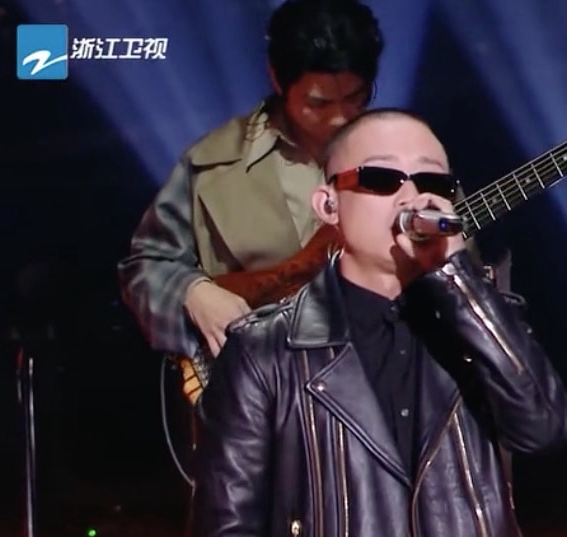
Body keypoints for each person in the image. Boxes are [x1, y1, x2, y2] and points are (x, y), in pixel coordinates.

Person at [191, 108, 567, 537]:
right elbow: (226, 523)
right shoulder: (264, 351)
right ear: (328, 205)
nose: (411, 197)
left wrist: (457, 277)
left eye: (432, 183)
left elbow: (546, 430)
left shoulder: (477, 323)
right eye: (381, 178)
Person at [116, 0, 384, 402]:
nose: (340, 117)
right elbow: (144, 266)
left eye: (355, 97)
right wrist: (192, 292)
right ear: (277, 78)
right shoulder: (212, 163)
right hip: (260, 396)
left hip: (381, 385)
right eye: (318, 103)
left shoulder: (403, 153)